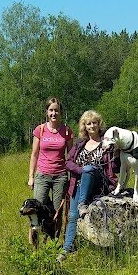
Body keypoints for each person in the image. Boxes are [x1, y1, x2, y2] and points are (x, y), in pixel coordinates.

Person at [58, 110, 118, 261]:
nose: (92, 126)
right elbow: (68, 162)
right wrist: (81, 170)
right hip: (78, 184)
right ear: (84, 126)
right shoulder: (80, 144)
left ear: (99, 124)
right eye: (88, 123)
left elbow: (114, 167)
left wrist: (116, 153)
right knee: (72, 216)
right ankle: (65, 250)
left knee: (90, 168)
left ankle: (82, 204)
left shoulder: (106, 143)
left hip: (98, 184)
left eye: (94, 123)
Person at [28, 97, 73, 229]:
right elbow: (34, 154)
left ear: (61, 112)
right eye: (51, 110)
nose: (54, 113)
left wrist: (73, 178)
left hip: (60, 177)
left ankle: (55, 238)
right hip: (42, 175)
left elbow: (71, 157)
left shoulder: (67, 131)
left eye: (56, 110)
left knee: (57, 211)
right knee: (37, 208)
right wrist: (31, 177)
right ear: (47, 112)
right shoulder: (40, 129)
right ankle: (35, 237)